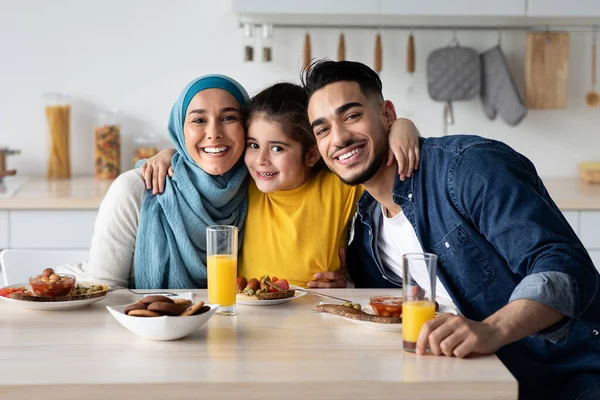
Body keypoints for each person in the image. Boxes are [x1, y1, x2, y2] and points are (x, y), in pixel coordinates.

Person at [302, 59, 600, 400]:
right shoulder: (369, 224)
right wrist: (345, 282)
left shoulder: (468, 168)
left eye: (352, 115)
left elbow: (563, 265)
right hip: (472, 384)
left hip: (572, 378)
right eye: (322, 129)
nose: (338, 137)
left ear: (386, 115)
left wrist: (491, 330)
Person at [142, 82, 422, 287]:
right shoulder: (245, 180)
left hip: (316, 314)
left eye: (277, 149)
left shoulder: (338, 185)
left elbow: (378, 159)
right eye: (253, 145)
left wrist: (403, 125)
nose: (261, 160)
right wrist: (170, 155)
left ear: (311, 153)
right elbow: (205, 160)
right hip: (249, 315)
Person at [59, 74, 251, 288]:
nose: (214, 133)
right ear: (180, 130)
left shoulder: (258, 191)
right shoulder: (135, 189)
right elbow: (105, 291)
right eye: (198, 120)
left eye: (229, 118)